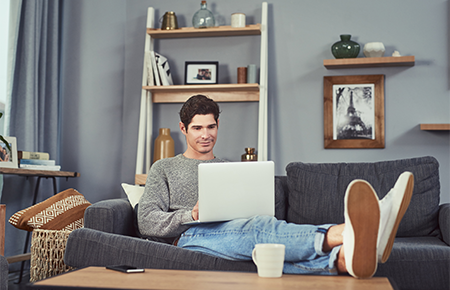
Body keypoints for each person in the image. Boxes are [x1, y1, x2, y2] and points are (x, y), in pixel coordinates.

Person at [137, 94, 413, 279]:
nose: (206, 135)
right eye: (197, 128)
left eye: (211, 126)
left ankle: (344, 260)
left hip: (229, 232)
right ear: (183, 129)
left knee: (266, 251)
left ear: (218, 124)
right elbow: (146, 222)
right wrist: (192, 216)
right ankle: (349, 232)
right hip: (187, 239)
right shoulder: (164, 167)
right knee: (257, 228)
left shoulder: (231, 168)